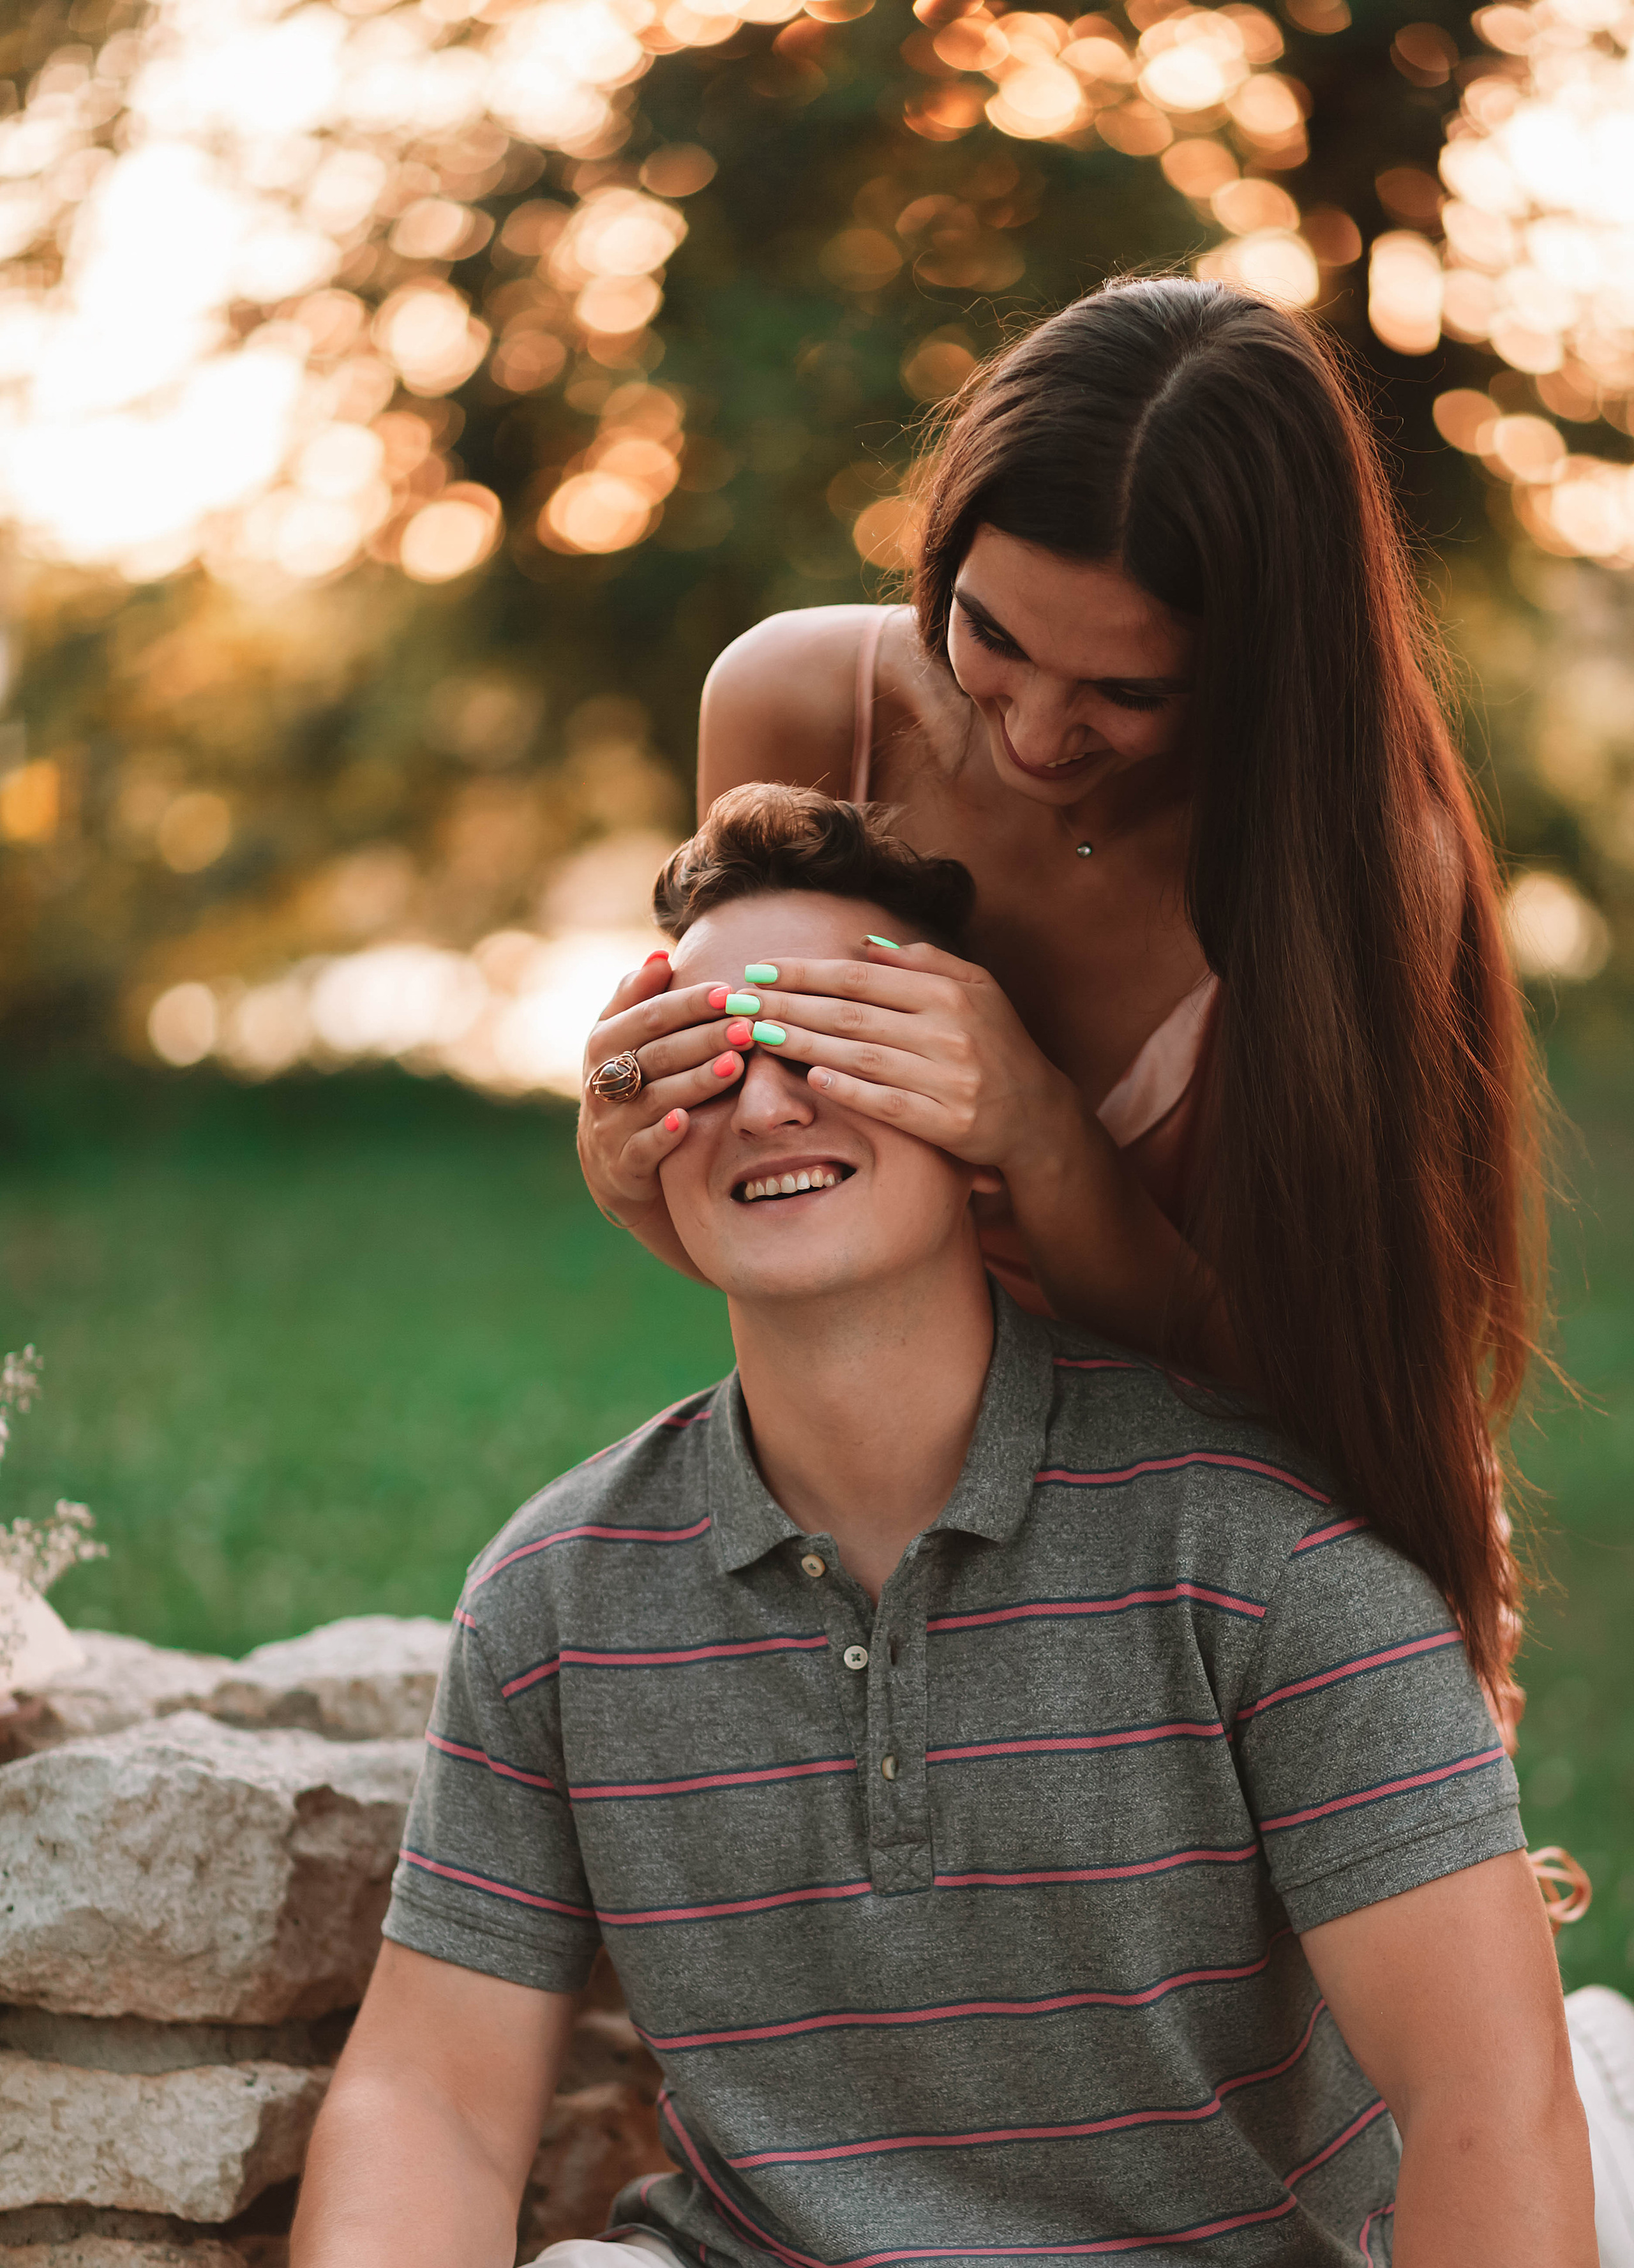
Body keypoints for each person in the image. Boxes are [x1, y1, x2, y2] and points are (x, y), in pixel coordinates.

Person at [182, 791, 1594, 2268]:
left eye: (838, 1033)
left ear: (973, 1095)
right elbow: (435, 2095)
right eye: (698, 1050)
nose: (762, 1093)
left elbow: (1486, 2103)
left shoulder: (1271, 1560)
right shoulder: (561, 1590)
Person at [576, 276, 1537, 1748]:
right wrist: (634, 1165)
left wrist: (1033, 1121)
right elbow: (781, 1209)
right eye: (989, 635)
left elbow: (1294, 1372)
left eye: (1126, 691)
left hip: (1249, 1524)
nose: (1032, 730)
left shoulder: (1356, 861)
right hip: (904, 1487)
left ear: (1252, 655)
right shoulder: (794, 708)